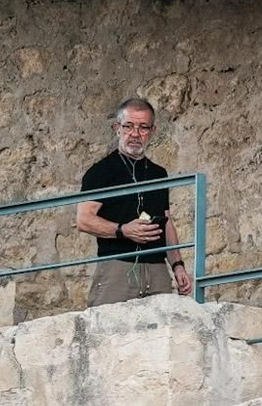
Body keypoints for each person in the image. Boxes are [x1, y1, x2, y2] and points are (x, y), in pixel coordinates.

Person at [75, 97, 193, 306]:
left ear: (152, 131)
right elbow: (84, 220)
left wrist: (178, 265)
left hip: (157, 268)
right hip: (117, 267)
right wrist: (123, 230)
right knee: (109, 335)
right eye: (128, 126)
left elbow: (166, 223)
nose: (135, 134)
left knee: (160, 335)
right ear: (117, 128)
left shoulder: (159, 173)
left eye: (143, 127)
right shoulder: (101, 172)